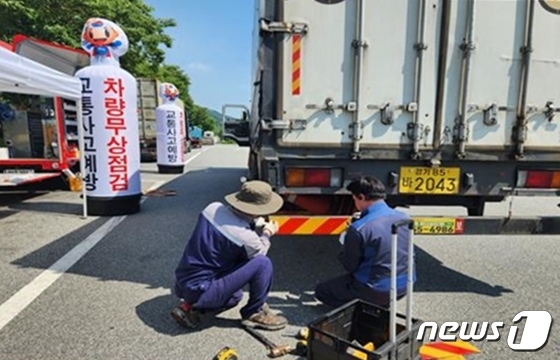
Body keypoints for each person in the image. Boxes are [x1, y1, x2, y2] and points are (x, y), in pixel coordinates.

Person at [170, 180, 288, 331]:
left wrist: (253, 220)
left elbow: (232, 222)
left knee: (234, 297)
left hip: (183, 283)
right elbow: (260, 250)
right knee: (263, 263)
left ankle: (189, 306)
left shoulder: (211, 208)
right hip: (203, 289)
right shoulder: (247, 238)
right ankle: (254, 313)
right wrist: (267, 232)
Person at [314, 176, 415, 309]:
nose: (355, 203)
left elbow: (350, 266)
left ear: (361, 197)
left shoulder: (359, 228)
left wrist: (345, 244)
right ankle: (379, 303)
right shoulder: (404, 218)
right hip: (405, 286)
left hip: (375, 289)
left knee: (322, 291)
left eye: (354, 199)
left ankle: (363, 308)